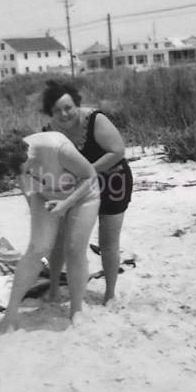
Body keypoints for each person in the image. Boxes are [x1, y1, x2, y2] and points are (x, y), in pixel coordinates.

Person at [0, 131, 100, 333]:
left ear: (24, 158)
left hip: (83, 195)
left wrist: (65, 204)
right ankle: (11, 313)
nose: (14, 177)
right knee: (37, 248)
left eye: (14, 172)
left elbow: (90, 175)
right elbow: (26, 186)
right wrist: (41, 213)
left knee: (74, 249)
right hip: (47, 194)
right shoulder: (17, 160)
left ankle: (76, 310)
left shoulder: (57, 149)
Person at [41, 81, 133, 305]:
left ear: (76, 104)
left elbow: (118, 151)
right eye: (57, 110)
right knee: (62, 239)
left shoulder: (95, 120)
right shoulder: (49, 132)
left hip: (113, 181)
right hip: (77, 186)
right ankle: (54, 289)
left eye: (68, 107)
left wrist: (87, 171)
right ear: (49, 113)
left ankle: (110, 294)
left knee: (108, 241)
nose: (64, 114)